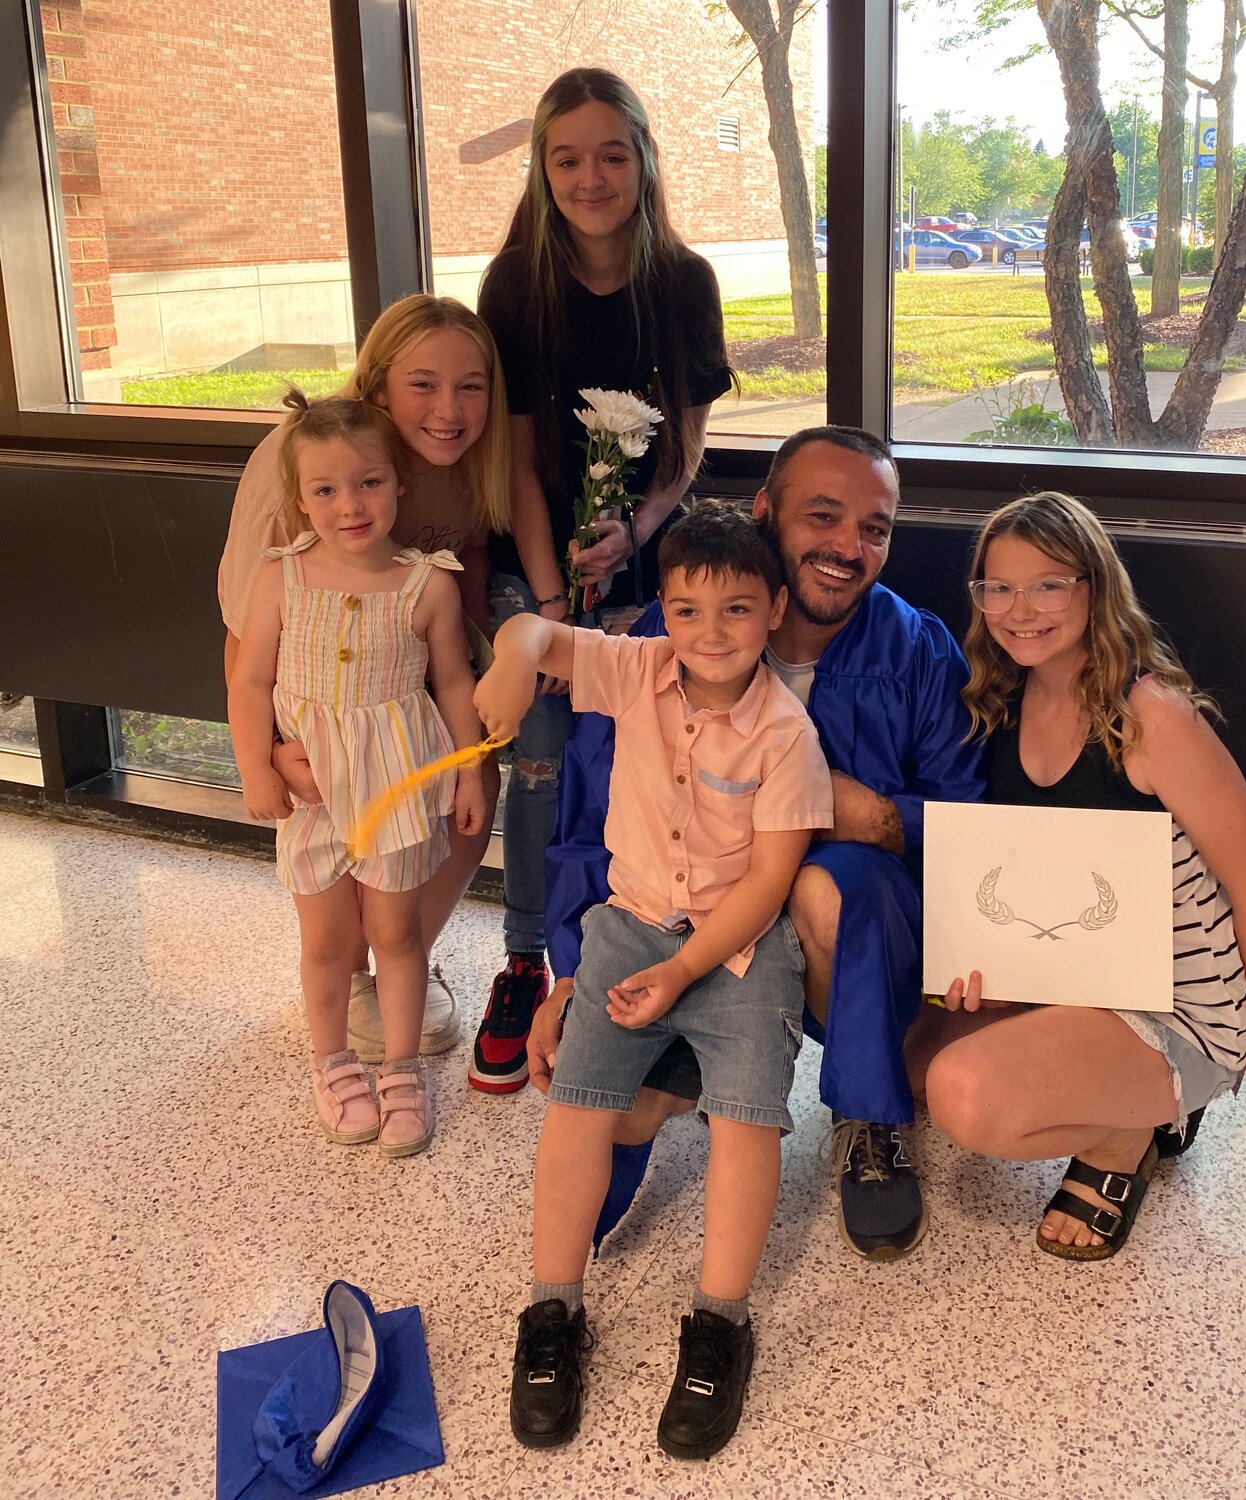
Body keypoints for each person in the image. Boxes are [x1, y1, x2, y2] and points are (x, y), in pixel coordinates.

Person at [538, 427, 987, 1263]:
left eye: (875, 528)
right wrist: (569, 971)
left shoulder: (917, 651)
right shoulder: (660, 650)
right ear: (764, 512)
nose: (848, 548)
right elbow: (589, 815)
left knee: (829, 882)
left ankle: (867, 1112)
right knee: (601, 1082)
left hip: (846, 940)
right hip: (682, 920)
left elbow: (968, 825)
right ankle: (666, 1084)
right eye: (823, 516)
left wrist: (874, 816)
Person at [476, 508, 831, 1458]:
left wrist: (682, 971)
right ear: (663, 614)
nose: (709, 633)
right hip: (630, 928)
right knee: (576, 1109)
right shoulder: (638, 669)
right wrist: (515, 658)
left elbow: (767, 883)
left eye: (735, 610)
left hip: (739, 948)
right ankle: (552, 1310)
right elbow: (540, 634)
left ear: (774, 612)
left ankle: (720, 1321)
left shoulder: (786, 733)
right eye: (685, 609)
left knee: (748, 1121)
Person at [910, 491, 1246, 1260]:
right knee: (915, 1062)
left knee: (966, 1096)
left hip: (1181, 1001)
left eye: (1047, 584)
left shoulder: (1149, 714)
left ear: (1094, 587)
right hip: (1079, 976)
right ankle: (1132, 1101)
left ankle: (1129, 1135)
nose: (1018, 608)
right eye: (998, 587)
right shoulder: (1000, 700)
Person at [470, 67, 734, 1096]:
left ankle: (651, 959)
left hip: (636, 549)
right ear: (543, 169)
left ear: (644, 162)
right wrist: (545, 606)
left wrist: (636, 531)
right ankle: (526, 959)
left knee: (647, 725)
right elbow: (521, 466)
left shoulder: (685, 283)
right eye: (567, 158)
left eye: (611, 155)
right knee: (542, 732)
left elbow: (688, 449)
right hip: (530, 560)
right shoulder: (514, 284)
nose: (591, 177)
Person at [219, 294, 509, 1062]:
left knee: (447, 818)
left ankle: (399, 958)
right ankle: (346, 977)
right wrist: (270, 750)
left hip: (404, 706)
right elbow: (245, 638)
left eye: (469, 386)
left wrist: (474, 747)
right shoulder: (309, 454)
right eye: (422, 384)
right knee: (327, 849)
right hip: (318, 715)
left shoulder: (471, 460)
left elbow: (467, 570)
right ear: (377, 384)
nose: (448, 410)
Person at [228, 392, 486, 1156]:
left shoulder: (426, 584)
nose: (350, 505)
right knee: (327, 942)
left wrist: (468, 775)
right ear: (300, 498)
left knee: (396, 933)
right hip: (314, 795)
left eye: (369, 483)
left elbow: (454, 685)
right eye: (326, 490)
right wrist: (255, 767)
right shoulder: (280, 579)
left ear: (397, 484)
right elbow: (248, 682)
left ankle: (401, 1068)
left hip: (398, 788)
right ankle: (333, 1062)